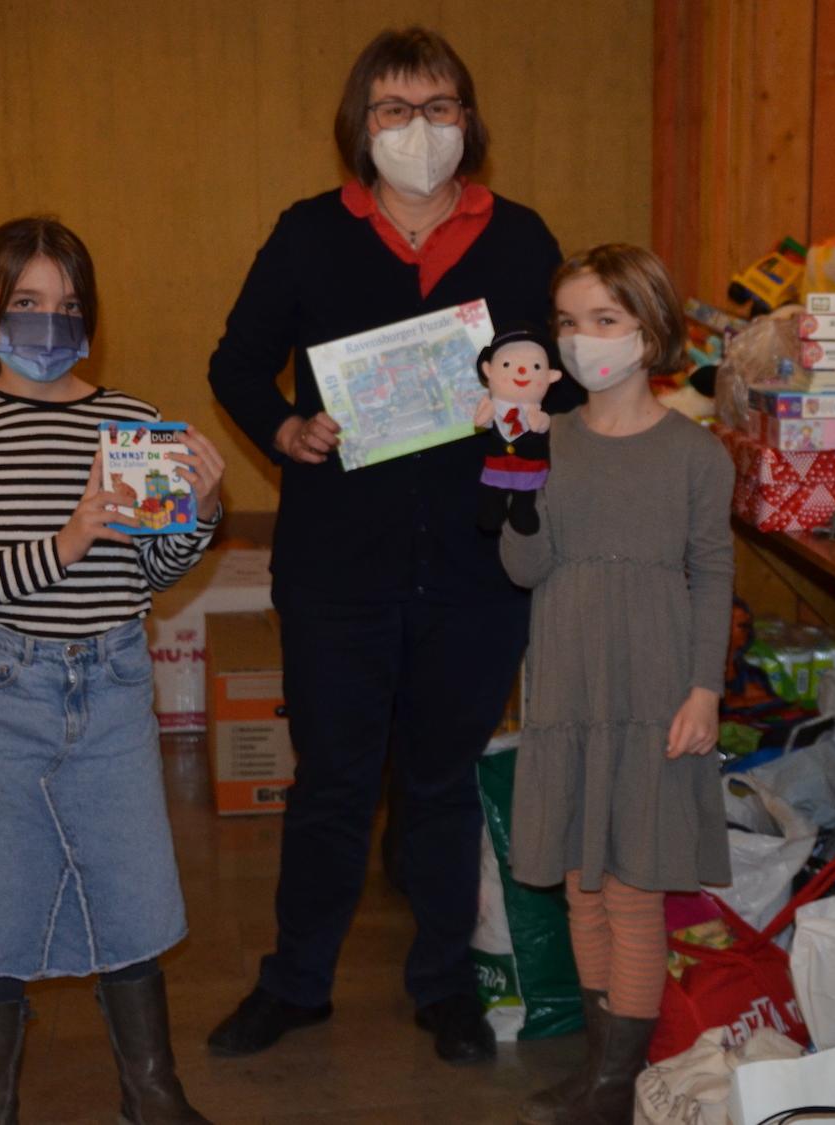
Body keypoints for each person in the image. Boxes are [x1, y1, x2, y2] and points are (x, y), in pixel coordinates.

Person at [205, 27, 575, 1064]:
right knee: (330, 780)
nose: (420, 131)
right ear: (358, 128)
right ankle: (295, 982)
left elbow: (569, 377)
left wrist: (525, 396)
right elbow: (235, 364)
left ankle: (444, 986)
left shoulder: (517, 237)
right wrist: (284, 429)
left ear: (470, 120)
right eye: (394, 111)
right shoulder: (310, 233)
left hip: (474, 565)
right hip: (337, 566)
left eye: (440, 107)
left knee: (441, 782)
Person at [0, 216, 223, 1123]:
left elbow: (150, 573)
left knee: (130, 887)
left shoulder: (127, 421)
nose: (51, 323)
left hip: (115, 682)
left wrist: (197, 513)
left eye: (70, 306)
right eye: (29, 303)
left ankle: (152, 1091)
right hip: (0, 691)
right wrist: (68, 536)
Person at [501, 245, 734, 1125]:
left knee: (634, 890)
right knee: (580, 884)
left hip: (654, 688)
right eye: (568, 321)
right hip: (567, 681)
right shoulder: (548, 438)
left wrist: (703, 689)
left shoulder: (694, 455)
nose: (583, 339)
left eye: (604, 319)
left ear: (650, 329)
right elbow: (524, 568)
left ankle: (612, 1089)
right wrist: (515, 488)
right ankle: (603, 1068)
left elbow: (712, 571)